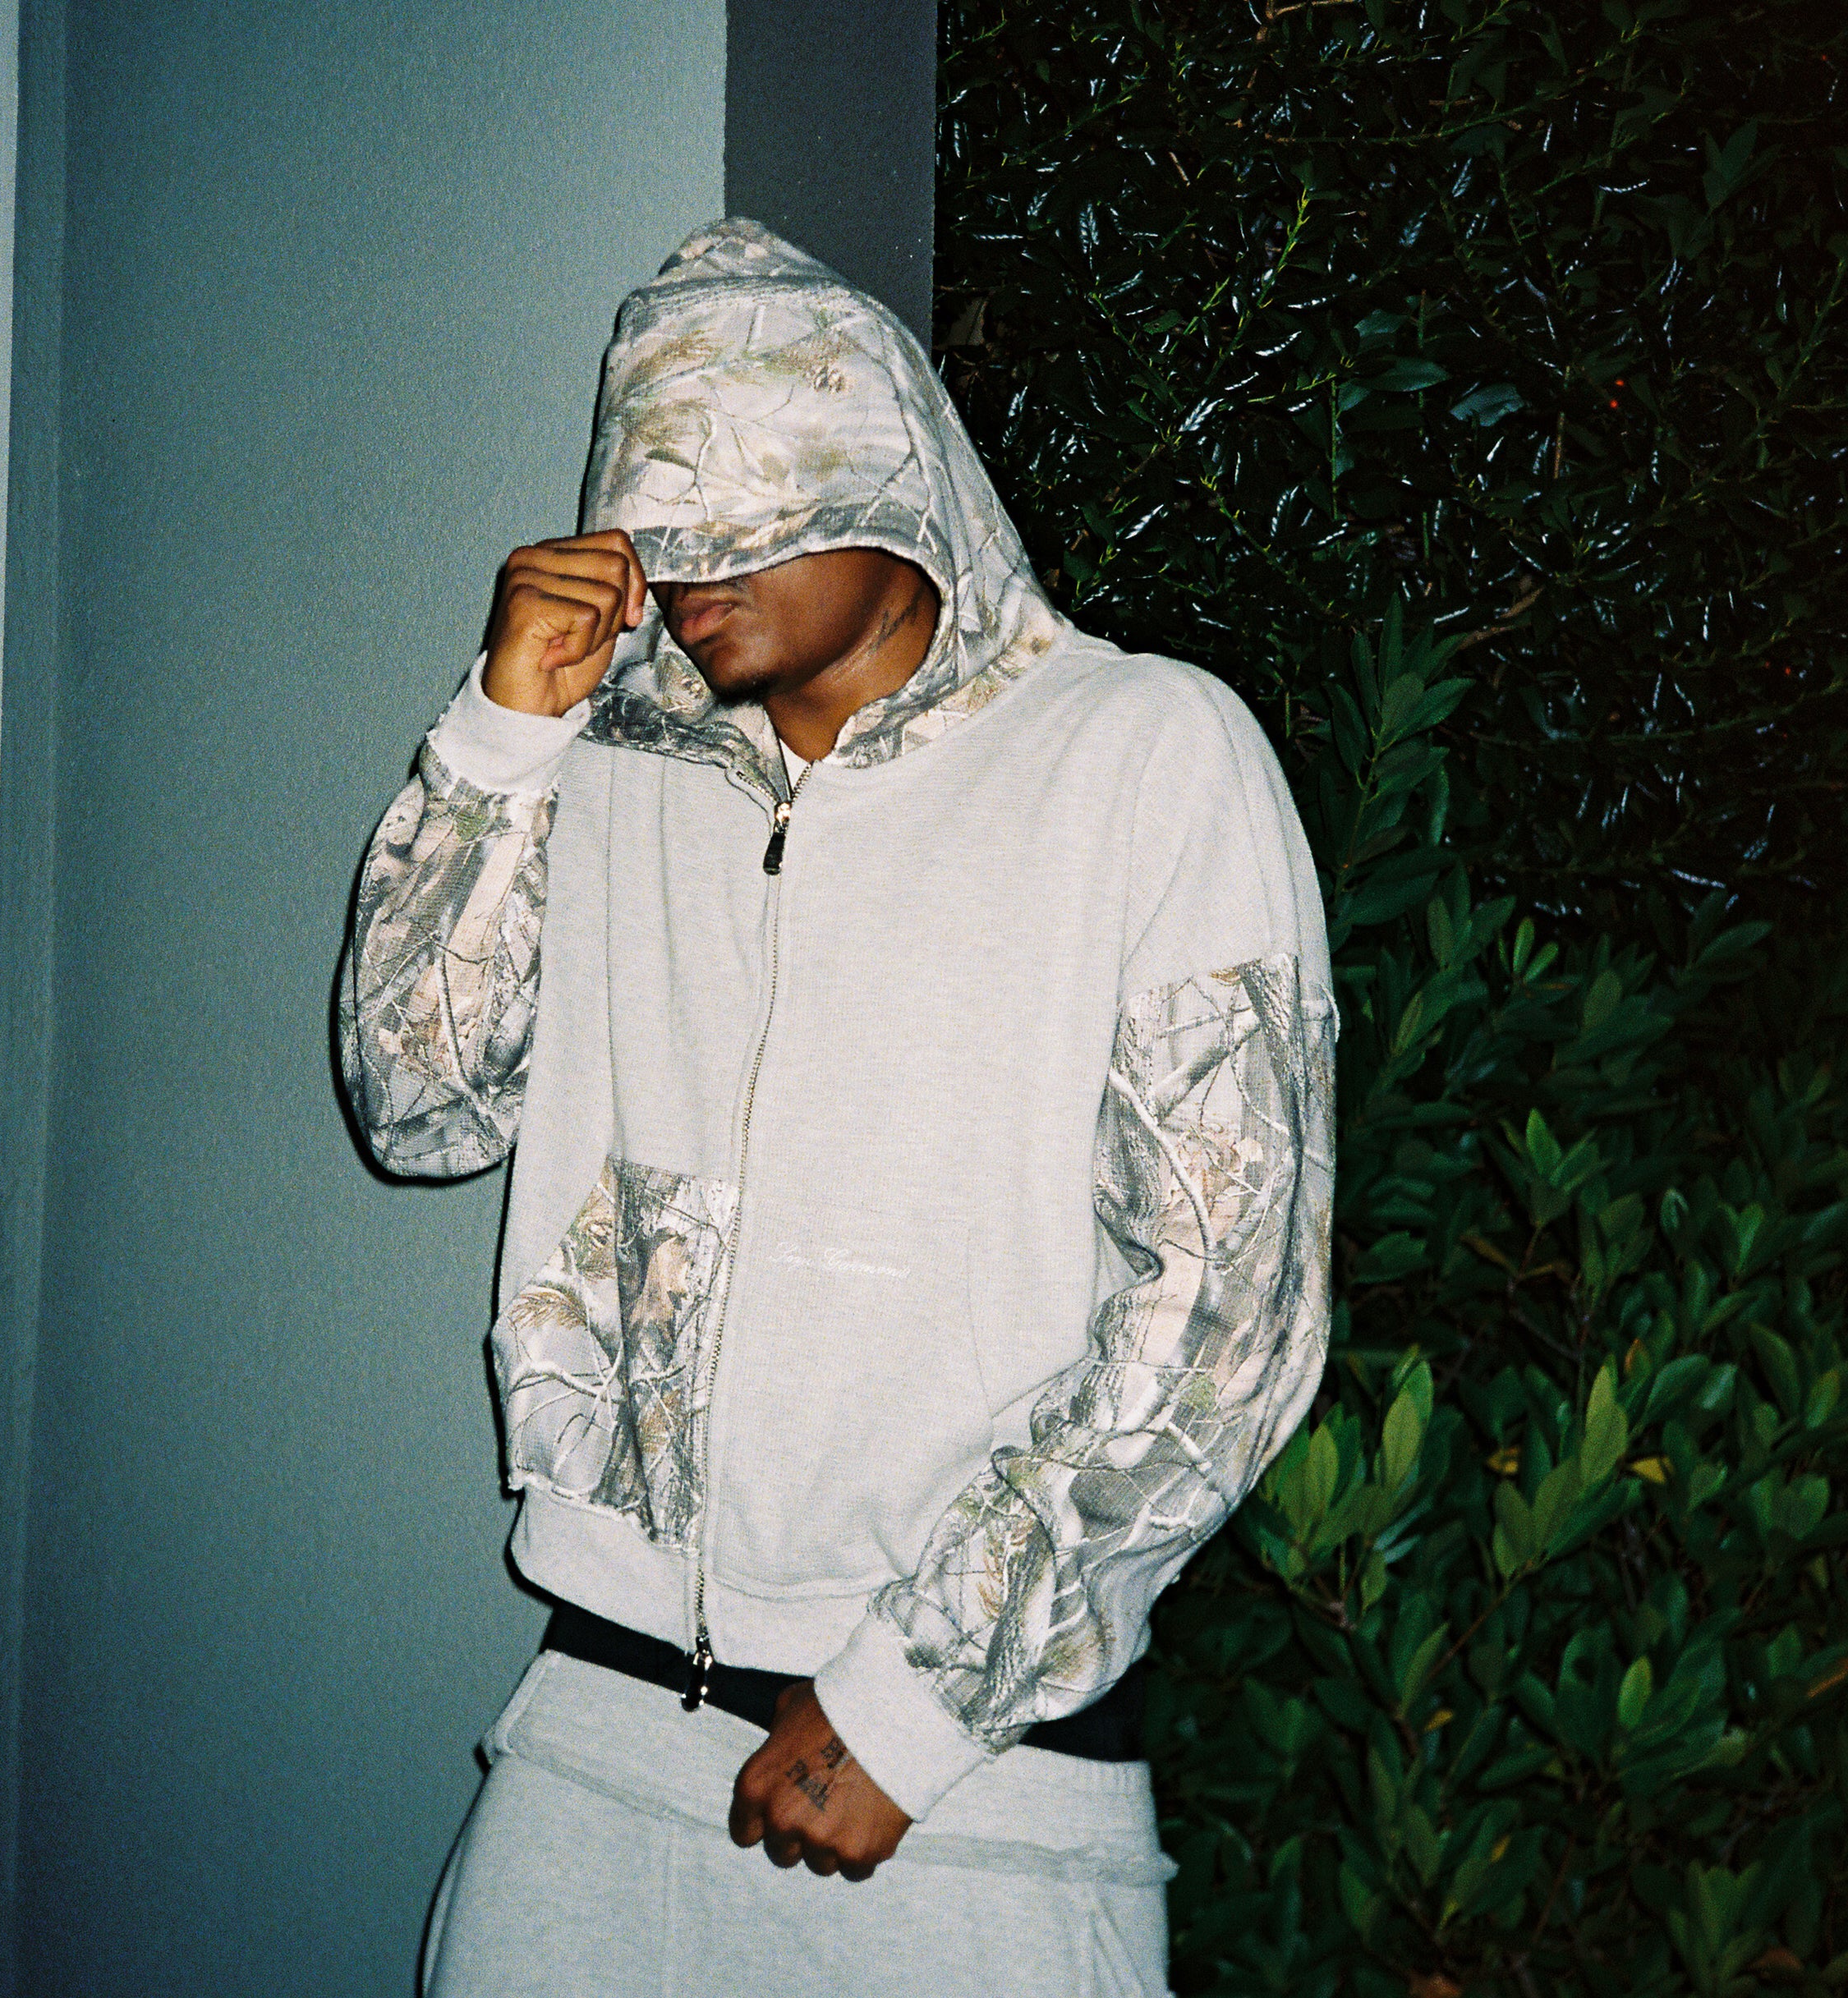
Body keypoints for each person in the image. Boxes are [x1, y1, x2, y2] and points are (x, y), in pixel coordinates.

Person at [338, 218, 1335, 1997]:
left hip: (971, 1777)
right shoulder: (606, 764)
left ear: (893, 487)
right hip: (592, 1728)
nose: (686, 565)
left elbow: (1224, 1309)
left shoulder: (1142, 751)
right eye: (657, 516)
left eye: (748, 513)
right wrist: (496, 743)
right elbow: (418, 1104)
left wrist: (912, 1700)